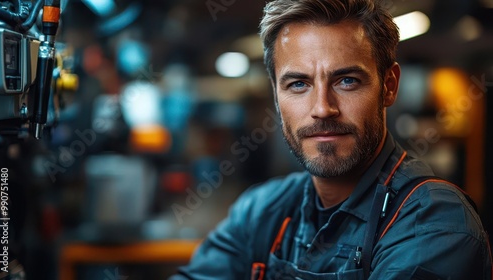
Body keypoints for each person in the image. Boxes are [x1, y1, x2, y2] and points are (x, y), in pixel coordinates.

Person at [171, 0, 492, 279]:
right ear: (276, 94)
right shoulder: (262, 210)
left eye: (347, 80)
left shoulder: (435, 225)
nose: (323, 108)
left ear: (389, 86)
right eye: (298, 84)